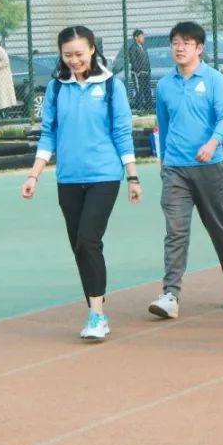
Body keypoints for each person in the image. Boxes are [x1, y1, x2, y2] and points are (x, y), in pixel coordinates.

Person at [21, 25, 142, 341]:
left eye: (79, 53)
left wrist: (132, 176)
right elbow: (49, 134)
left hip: (104, 176)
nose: (74, 60)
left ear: (92, 50)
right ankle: (96, 305)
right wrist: (34, 174)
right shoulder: (56, 88)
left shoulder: (112, 86)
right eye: (67, 55)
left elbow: (122, 133)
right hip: (68, 179)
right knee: (79, 247)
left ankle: (97, 316)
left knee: (88, 240)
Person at [149, 21, 223, 319]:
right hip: (175, 169)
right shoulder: (164, 86)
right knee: (175, 232)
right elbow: (164, 125)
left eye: (187, 43)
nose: (179, 48)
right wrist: (164, 161)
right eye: (175, 43)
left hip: (210, 167)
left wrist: (212, 143)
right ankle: (170, 294)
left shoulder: (213, 79)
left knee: (218, 226)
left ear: (199, 48)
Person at [128, 29, 152, 111]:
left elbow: (147, 60)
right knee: (139, 90)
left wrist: (148, 71)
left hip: (146, 73)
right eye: (141, 36)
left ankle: (149, 107)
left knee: (147, 90)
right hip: (138, 74)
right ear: (136, 37)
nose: (143, 38)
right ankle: (140, 108)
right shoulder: (133, 48)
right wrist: (138, 71)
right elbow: (133, 61)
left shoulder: (143, 47)